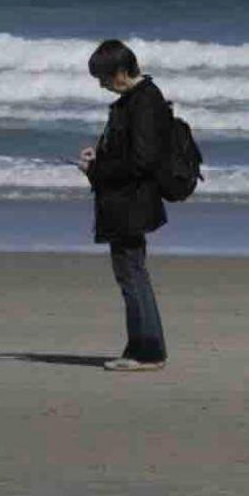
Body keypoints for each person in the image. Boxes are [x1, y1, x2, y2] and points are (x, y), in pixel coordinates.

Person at [77, 39, 171, 371]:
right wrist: (98, 158)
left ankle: (147, 352)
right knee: (130, 272)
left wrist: (97, 169)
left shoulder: (144, 101)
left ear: (120, 72)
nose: (102, 85)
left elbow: (142, 161)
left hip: (132, 204)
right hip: (126, 202)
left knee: (132, 273)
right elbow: (129, 154)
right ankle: (141, 348)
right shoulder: (134, 100)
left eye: (103, 78)